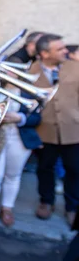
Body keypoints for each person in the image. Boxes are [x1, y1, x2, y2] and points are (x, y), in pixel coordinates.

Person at [0, 81, 42, 227]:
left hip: (19, 139)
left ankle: (7, 208)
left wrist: (20, 118)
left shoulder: (29, 92)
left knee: (13, 175)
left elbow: (37, 118)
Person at [32, 34, 79, 227]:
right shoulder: (30, 70)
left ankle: (72, 206)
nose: (65, 51)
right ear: (44, 53)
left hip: (73, 129)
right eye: (59, 49)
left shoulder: (75, 67)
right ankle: (46, 200)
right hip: (44, 130)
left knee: (75, 170)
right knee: (44, 168)